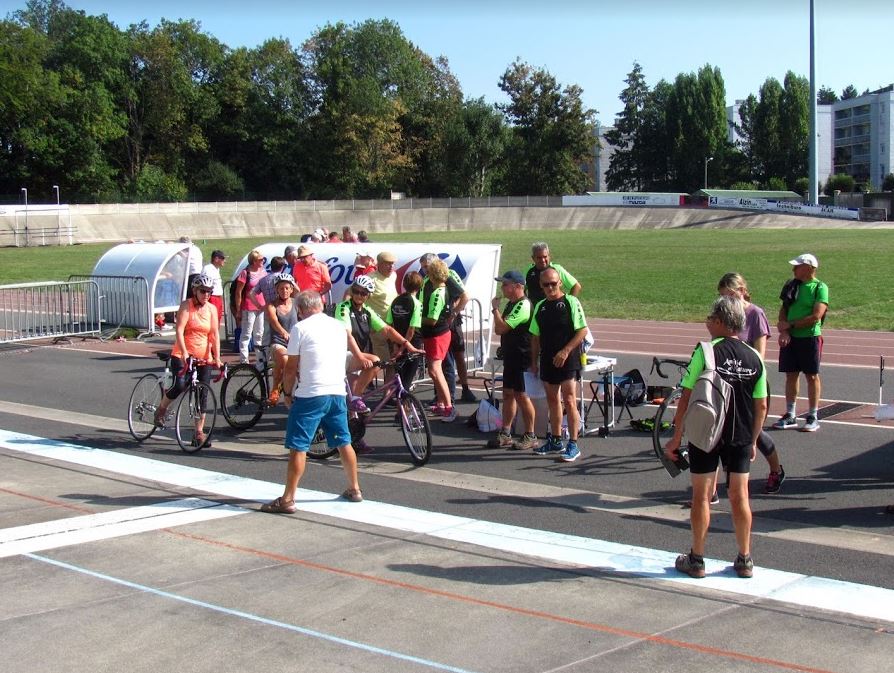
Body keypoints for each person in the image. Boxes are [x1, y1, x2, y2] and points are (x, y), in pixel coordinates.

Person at [663, 295, 768, 579]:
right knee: (739, 495)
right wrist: (754, 439)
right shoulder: (755, 356)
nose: (707, 322)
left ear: (721, 322)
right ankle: (745, 557)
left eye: (711, 318)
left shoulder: (706, 352)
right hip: (740, 434)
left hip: (707, 432)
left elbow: (686, 395)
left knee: (701, 496)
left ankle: (697, 558)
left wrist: (676, 436)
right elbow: (762, 404)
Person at [260, 291, 376, 514]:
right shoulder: (337, 326)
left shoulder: (300, 328)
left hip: (311, 393)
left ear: (301, 311)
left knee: (298, 445)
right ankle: (354, 488)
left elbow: (291, 367)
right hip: (336, 391)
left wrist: (287, 392)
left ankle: (288, 498)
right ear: (321, 305)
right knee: (344, 441)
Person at [718, 273, 786, 494]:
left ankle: (776, 470)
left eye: (730, 294)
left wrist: (742, 370)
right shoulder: (726, 314)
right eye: (722, 296)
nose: (726, 299)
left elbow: (759, 356)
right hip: (728, 384)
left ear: (741, 290)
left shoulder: (755, 314)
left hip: (751, 384)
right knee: (726, 432)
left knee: (752, 432)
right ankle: (729, 479)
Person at [154, 273, 222, 447]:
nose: (206, 295)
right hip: (183, 354)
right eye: (202, 291)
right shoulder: (186, 306)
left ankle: (198, 432)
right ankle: (161, 409)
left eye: (209, 291)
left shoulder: (212, 309)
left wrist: (217, 357)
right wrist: (184, 352)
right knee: (180, 384)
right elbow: (179, 331)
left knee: (203, 394)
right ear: (195, 291)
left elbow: (214, 334)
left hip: (203, 356)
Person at [529, 267, 588, 462]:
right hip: (547, 359)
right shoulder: (540, 306)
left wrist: (565, 351)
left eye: (553, 283)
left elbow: (582, 331)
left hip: (568, 358)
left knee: (569, 400)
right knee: (552, 400)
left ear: (560, 282)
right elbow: (535, 337)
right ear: (541, 286)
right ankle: (555, 439)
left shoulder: (571, 302)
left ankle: (573, 443)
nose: (550, 287)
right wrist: (534, 362)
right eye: (546, 285)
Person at [333, 275, 416, 411]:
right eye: (356, 291)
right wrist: (360, 357)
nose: (359, 295)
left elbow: (387, 330)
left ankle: (354, 415)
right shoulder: (343, 308)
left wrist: (408, 345)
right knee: (375, 361)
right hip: (342, 355)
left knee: (353, 409)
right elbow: (348, 336)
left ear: (368, 295)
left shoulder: (367, 311)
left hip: (355, 354)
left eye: (363, 293)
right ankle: (355, 400)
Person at [772, 253, 829, 433]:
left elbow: (816, 316)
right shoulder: (791, 285)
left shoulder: (820, 287)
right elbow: (784, 310)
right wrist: (785, 330)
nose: (793, 269)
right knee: (791, 375)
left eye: (797, 266)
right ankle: (790, 414)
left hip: (810, 337)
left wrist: (790, 324)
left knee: (811, 376)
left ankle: (812, 415)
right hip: (792, 338)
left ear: (808, 268)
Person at [489, 270, 537, 451]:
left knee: (521, 396)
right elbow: (500, 329)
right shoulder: (511, 304)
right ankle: (506, 432)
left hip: (521, 356)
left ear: (518, 286)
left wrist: (494, 310)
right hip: (511, 356)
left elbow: (500, 329)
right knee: (508, 394)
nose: (502, 288)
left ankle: (531, 435)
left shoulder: (522, 305)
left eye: (505, 284)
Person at [419, 252, 476, 403]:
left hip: (450, 323)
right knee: (442, 361)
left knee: (456, 355)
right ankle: (441, 396)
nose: (424, 270)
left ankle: (463, 389)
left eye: (426, 267)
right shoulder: (426, 279)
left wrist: (453, 313)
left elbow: (464, 296)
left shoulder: (448, 274)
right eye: (423, 267)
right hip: (438, 325)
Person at [420, 258, 456, 422]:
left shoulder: (437, 293)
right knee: (434, 370)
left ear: (432, 275)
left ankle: (448, 407)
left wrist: (416, 320)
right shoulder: (442, 289)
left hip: (437, 334)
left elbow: (432, 319)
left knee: (435, 370)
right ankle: (442, 403)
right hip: (436, 334)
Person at [263, 273, 300, 406]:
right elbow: (274, 322)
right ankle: (275, 389)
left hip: (295, 343)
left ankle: (300, 393)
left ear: (291, 289)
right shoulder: (271, 305)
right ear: (276, 290)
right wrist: (284, 332)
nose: (284, 291)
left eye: (287, 288)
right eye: (281, 288)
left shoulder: (296, 303)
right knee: (284, 358)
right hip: (278, 342)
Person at [386, 271, 424, 391]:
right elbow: (412, 329)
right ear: (420, 286)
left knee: (400, 379)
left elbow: (389, 325)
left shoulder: (395, 301)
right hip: (411, 343)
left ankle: (401, 406)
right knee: (406, 381)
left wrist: (395, 346)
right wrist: (402, 348)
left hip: (397, 341)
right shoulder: (417, 303)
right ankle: (403, 407)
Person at [366, 251, 399, 367]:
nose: (391, 267)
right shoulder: (370, 279)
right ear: (379, 264)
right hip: (378, 326)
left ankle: (390, 385)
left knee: (394, 360)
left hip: (393, 324)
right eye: (388, 264)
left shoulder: (393, 275)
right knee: (383, 362)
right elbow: (351, 294)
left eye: (393, 264)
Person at [233, 249, 268, 364]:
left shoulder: (263, 271)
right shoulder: (245, 273)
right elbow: (238, 292)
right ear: (253, 261)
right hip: (248, 307)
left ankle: (260, 360)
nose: (262, 261)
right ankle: (244, 361)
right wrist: (238, 310)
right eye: (260, 259)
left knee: (259, 334)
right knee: (247, 334)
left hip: (261, 307)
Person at [524, 242, 581, 306]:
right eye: (539, 258)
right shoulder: (528, 270)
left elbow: (576, 286)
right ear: (533, 258)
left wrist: (568, 304)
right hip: (535, 312)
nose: (542, 260)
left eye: (545, 257)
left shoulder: (557, 269)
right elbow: (521, 289)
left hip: (554, 310)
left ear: (549, 256)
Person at [201, 250, 226, 323]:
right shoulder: (208, 269)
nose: (224, 261)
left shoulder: (216, 269)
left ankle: (215, 334)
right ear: (216, 259)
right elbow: (205, 285)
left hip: (217, 298)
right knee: (212, 319)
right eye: (223, 259)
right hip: (212, 298)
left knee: (217, 319)